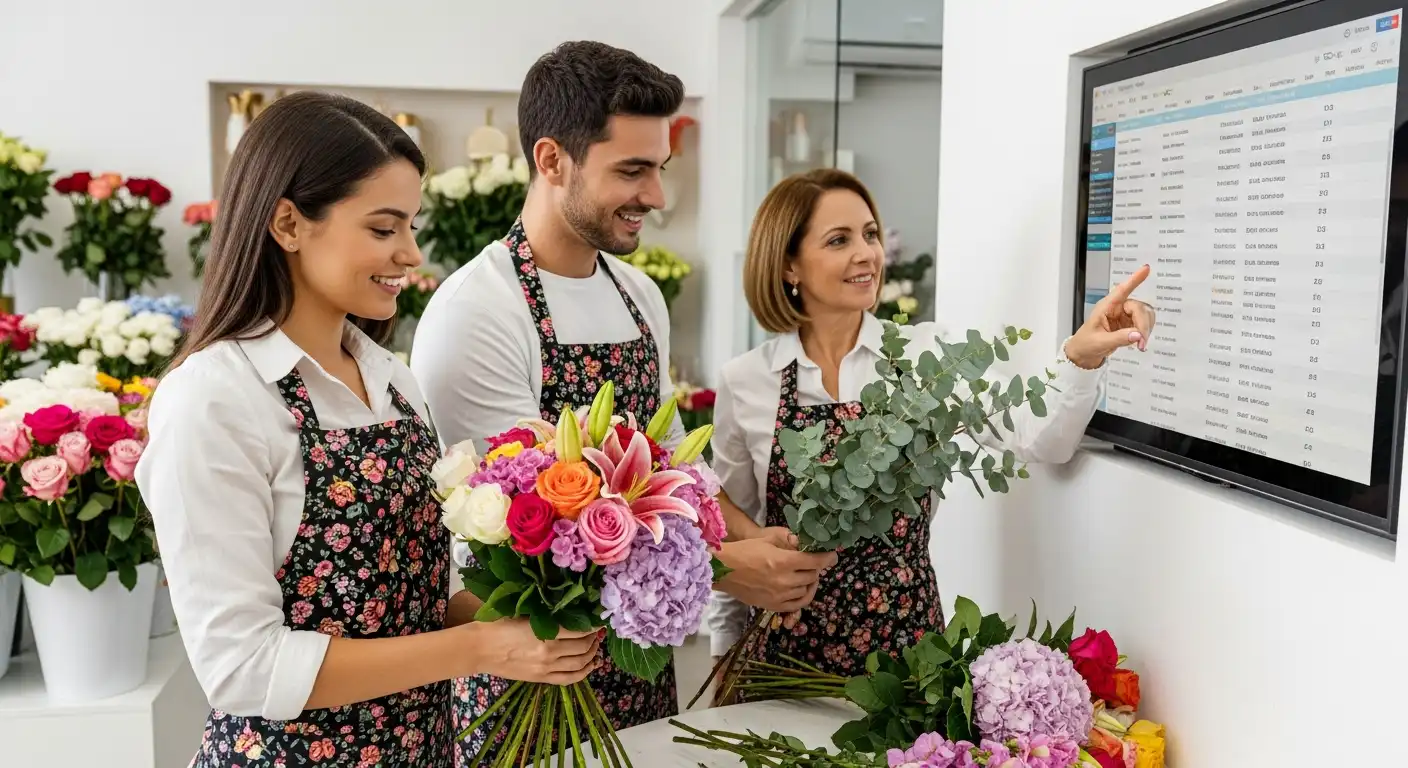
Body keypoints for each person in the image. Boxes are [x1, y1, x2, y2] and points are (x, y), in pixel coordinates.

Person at [136, 91, 601, 768]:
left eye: (411, 226)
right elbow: (242, 667)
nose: (411, 254)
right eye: (384, 229)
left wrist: (532, 614)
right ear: (289, 224)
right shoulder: (214, 400)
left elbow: (416, 593)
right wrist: (482, 648)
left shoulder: (391, 380)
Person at [411, 41, 834, 761]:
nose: (657, 197)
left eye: (659, 169)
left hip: (640, 657)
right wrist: (728, 567)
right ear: (552, 161)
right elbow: (533, 531)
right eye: (631, 171)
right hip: (536, 666)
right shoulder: (477, 311)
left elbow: (660, 467)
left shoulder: (639, 296)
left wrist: (741, 531)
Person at [705, 168, 1156, 685]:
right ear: (789, 266)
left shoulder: (927, 358)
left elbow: (1042, 438)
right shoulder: (746, 382)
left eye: (870, 234)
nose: (866, 254)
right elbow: (732, 538)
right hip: (780, 666)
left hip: (904, 664)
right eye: (839, 240)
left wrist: (1080, 354)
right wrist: (723, 659)